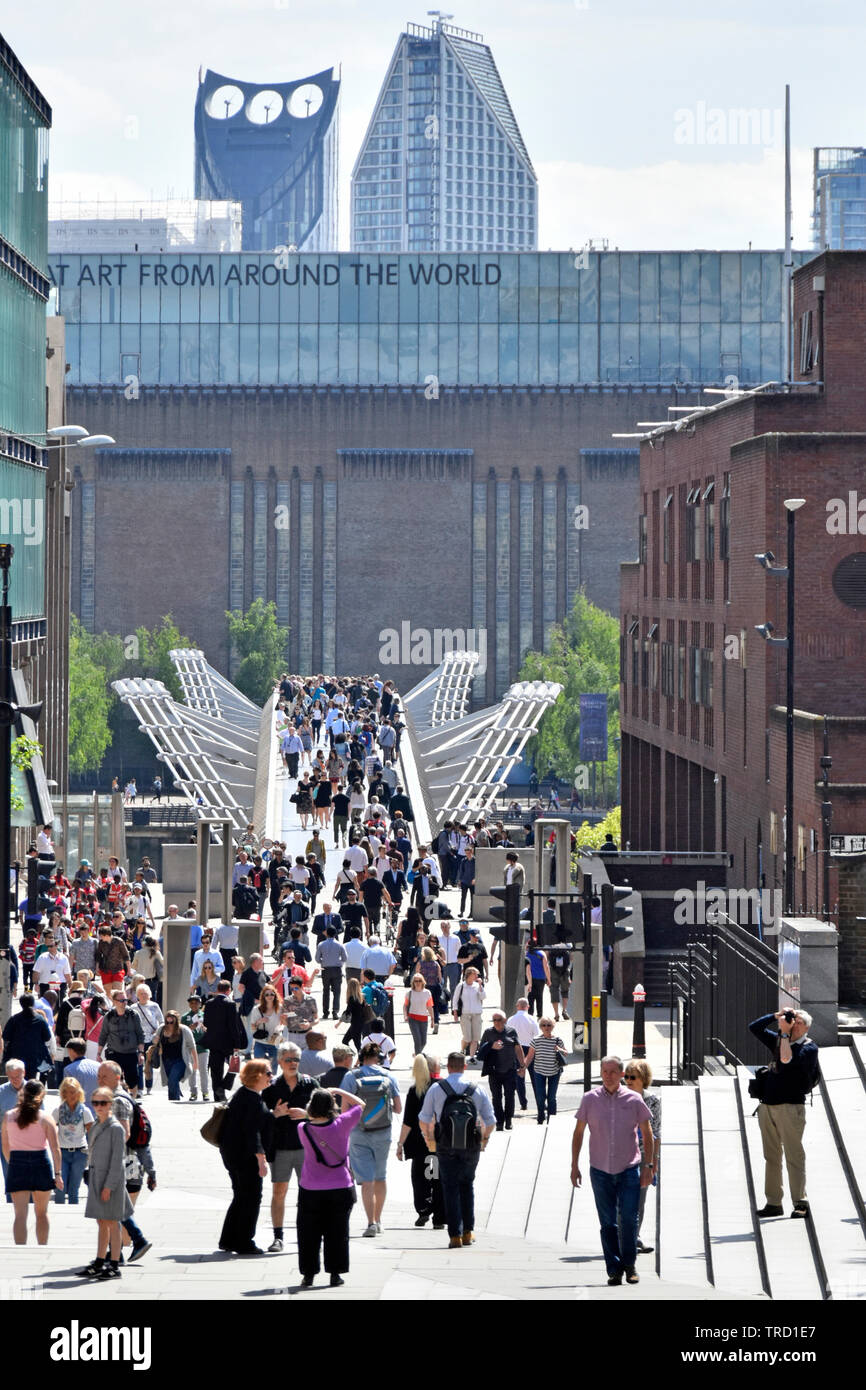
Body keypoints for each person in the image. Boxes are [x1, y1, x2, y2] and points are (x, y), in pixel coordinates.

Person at [571, 1055, 655, 1286]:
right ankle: (614, 1269)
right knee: (608, 1222)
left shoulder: (634, 1099)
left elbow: (648, 1135)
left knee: (629, 1218)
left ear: (621, 1075)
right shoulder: (589, 1099)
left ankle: (630, 1265)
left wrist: (649, 1166)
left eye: (612, 1072)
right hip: (599, 1170)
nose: (608, 1076)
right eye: (604, 1072)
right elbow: (579, 1132)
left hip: (629, 1168)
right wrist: (574, 1165)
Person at [419, 1051, 496, 1248]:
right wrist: (484, 1140)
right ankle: (468, 1232)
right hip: (471, 1145)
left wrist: (429, 1140)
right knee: (467, 1185)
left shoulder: (437, 1089)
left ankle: (455, 1235)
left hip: (444, 1145)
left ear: (448, 1067)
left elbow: (424, 1118)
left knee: (450, 1187)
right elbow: (491, 1120)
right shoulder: (476, 1089)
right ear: (464, 1066)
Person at [748, 1008, 819, 1219]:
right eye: (791, 1020)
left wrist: (785, 1034)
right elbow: (754, 1028)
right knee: (771, 1156)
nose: (790, 1023)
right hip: (768, 1106)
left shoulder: (809, 1048)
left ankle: (800, 1202)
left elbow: (786, 1060)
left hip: (790, 1108)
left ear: (804, 1027)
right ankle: (773, 1202)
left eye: (795, 1021)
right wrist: (775, 1016)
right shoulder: (780, 1040)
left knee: (794, 1155)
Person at [293, 1086, 364, 1289]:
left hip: (310, 1188)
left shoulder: (303, 1129)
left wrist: (309, 1112)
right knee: (338, 1232)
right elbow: (361, 1105)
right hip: (341, 1186)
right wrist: (338, 1091)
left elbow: (313, 1118)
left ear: (311, 1107)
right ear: (332, 1107)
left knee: (308, 1233)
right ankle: (335, 1273)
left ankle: (308, 1274)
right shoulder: (342, 1124)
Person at [340, 1042, 402, 1237]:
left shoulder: (352, 1076)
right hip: (383, 1132)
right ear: (380, 1057)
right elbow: (399, 1108)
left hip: (359, 1132)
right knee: (380, 1177)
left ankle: (371, 1223)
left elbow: (343, 1110)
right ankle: (380, 1219)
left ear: (361, 1057)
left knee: (366, 1180)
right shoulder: (388, 1076)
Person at [262, 1043, 319, 1252]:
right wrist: (274, 1114)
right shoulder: (271, 1087)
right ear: (280, 1062)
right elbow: (260, 1119)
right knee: (279, 1191)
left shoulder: (310, 1084)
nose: (293, 1063)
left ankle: (310, 1234)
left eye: (296, 1059)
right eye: (288, 1059)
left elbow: (329, 1112)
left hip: (307, 1148)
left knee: (309, 1193)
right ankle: (278, 1237)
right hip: (280, 1147)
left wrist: (307, 1115)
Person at [218, 1058, 273, 1255]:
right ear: (256, 1076)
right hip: (245, 1158)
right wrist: (261, 1160)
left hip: (233, 1155)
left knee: (241, 1197)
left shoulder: (244, 1095)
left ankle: (229, 1239)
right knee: (251, 1198)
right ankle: (244, 1241)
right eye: (268, 1073)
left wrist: (274, 1114)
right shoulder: (252, 1099)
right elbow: (253, 1133)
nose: (271, 1077)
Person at [80, 1085, 134, 1279]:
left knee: (112, 1222)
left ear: (110, 1104)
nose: (99, 1106)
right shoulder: (96, 1124)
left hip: (110, 1180)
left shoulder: (116, 1128)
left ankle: (114, 1264)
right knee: (101, 1221)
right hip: (96, 1177)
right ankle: (99, 1261)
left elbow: (118, 1159)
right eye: (95, 1103)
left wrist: (109, 1186)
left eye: (103, 1103)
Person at [1, 1080, 62, 1242]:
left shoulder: (8, 1116)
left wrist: (11, 1163)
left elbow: (5, 1146)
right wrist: (58, 1174)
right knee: (42, 1213)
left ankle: (21, 1248)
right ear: (41, 1096)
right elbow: (55, 1149)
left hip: (17, 1162)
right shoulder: (45, 1118)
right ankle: (42, 1247)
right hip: (41, 1162)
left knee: (20, 1214)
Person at [397, 1053, 446, 1229]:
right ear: (434, 1067)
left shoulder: (415, 1090)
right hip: (439, 1141)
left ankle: (424, 1209)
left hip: (419, 1143)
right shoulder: (443, 1087)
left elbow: (408, 1121)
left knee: (420, 1178)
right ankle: (439, 1217)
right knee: (437, 1178)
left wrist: (400, 1144)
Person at [624, 1059, 661, 1253]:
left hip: (644, 1156)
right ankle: (626, 1239)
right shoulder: (620, 1098)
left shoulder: (653, 1101)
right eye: (626, 1076)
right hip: (622, 1155)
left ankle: (634, 1237)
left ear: (643, 1079)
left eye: (633, 1077)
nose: (628, 1080)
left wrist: (654, 1162)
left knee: (640, 1199)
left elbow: (656, 1133)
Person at [477, 1011, 527, 1130]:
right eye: (494, 1020)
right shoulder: (488, 1032)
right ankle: (499, 1121)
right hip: (494, 1070)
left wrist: (522, 1065)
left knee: (510, 1096)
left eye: (499, 1020)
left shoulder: (511, 1031)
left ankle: (508, 1119)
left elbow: (518, 1048)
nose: (497, 1022)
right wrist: (491, 1046)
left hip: (510, 1069)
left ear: (504, 1020)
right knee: (496, 1097)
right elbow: (481, 1050)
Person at [52, 1075, 95, 1204]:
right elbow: (51, 1131)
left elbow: (91, 1133)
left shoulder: (85, 1111)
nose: (72, 1095)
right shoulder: (58, 1111)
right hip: (62, 1153)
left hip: (80, 1153)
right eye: (69, 1092)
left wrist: (92, 1153)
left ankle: (72, 1214)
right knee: (60, 1187)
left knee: (73, 1189)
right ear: (63, 1093)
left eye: (75, 1092)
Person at [203, 979, 247, 1101]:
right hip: (228, 1042)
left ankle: (217, 1095)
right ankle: (223, 1086)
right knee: (234, 1066)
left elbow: (206, 1023)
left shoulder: (209, 1003)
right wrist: (237, 1044)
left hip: (213, 1042)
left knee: (215, 1070)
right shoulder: (230, 1004)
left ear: (217, 990)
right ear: (229, 991)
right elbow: (233, 1026)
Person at [98, 989, 145, 1094]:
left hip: (130, 1053)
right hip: (114, 1053)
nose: (124, 1002)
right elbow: (103, 1035)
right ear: (114, 1001)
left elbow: (140, 1034)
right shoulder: (109, 1016)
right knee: (113, 1080)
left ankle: (132, 1102)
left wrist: (141, 1053)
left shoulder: (133, 1015)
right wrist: (98, 1053)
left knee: (132, 1081)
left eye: (126, 1000)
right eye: (121, 1000)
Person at [524, 1017, 568, 1124]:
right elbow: (529, 1057)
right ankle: (541, 1116)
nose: (546, 1027)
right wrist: (523, 1068)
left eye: (549, 1025)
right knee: (540, 1096)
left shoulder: (558, 1040)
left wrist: (560, 1049)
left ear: (553, 1026)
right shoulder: (536, 1040)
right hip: (539, 1071)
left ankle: (552, 1119)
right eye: (544, 1025)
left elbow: (566, 1053)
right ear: (540, 1027)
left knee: (551, 1097)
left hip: (554, 1071)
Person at [146, 1010, 197, 1101]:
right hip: (166, 1061)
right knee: (171, 1081)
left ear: (176, 1021)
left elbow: (192, 1046)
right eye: (167, 1021)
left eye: (171, 1022)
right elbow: (154, 1041)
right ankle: (174, 1097)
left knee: (173, 1079)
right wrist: (155, 1039)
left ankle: (174, 1101)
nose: (169, 1024)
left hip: (180, 1061)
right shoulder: (162, 1029)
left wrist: (196, 1063)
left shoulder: (184, 1030)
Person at [2, 993, 53, 1079]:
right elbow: (47, 1037)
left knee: (16, 1080)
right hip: (34, 1058)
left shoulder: (14, 1019)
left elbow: (6, 1036)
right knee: (31, 1081)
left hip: (16, 1057)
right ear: (33, 1004)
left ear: (21, 1004)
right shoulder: (40, 1020)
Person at [506, 998, 540, 1111]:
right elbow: (537, 1036)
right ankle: (540, 1102)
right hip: (530, 1048)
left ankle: (523, 1103)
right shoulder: (532, 1019)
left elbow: (507, 1036)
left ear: (517, 1006)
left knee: (519, 1077)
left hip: (516, 1049)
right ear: (528, 1007)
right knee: (535, 1078)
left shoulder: (511, 1020)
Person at [0, 1060, 27, 1198]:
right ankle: (11, 1205)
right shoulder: (1, 1091)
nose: (15, 1080)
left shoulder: (33, 1089)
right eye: (11, 1077)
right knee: (9, 1173)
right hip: (6, 1140)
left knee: (28, 1176)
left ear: (24, 1073)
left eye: (18, 1076)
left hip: (28, 1140)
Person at [248, 985, 284, 1075]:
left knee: (273, 1066)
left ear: (275, 995)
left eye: (272, 994)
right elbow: (252, 1027)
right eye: (267, 994)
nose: (269, 996)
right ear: (263, 996)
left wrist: (281, 1027)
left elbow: (285, 1023)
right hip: (261, 1041)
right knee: (258, 1065)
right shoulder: (256, 1010)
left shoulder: (280, 1008)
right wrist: (259, 1021)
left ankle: (272, 1085)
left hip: (275, 1040)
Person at [181, 994, 211, 1101]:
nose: (194, 1005)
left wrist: (205, 1028)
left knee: (203, 1070)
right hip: (190, 1048)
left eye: (196, 1002)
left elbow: (210, 1030)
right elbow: (181, 1032)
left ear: (200, 1004)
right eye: (191, 1002)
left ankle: (205, 1092)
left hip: (203, 1047)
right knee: (192, 1071)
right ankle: (193, 1092)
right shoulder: (185, 1017)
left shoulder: (205, 1015)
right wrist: (190, 1027)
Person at [316, 926, 347, 1020]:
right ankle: (335, 1012)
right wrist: (339, 963)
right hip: (337, 969)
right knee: (337, 991)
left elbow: (317, 959)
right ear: (335, 934)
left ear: (326, 933)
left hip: (325, 969)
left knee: (326, 991)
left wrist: (323, 961)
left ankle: (325, 1012)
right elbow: (345, 958)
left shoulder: (321, 944)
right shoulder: (340, 945)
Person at [404, 973, 435, 1055]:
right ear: (413, 982)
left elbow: (430, 1006)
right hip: (413, 1018)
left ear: (423, 982)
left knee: (423, 1041)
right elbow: (405, 1005)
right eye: (416, 981)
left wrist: (432, 1019)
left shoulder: (427, 993)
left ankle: (417, 1054)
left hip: (424, 1019)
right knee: (417, 1040)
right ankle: (418, 1059)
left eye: (420, 981)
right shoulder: (409, 993)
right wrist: (405, 1016)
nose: (417, 983)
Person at [546, 932, 573, 1022]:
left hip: (553, 970)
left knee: (554, 990)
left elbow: (546, 956)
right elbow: (571, 957)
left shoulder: (550, 943)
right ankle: (564, 1010)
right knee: (565, 991)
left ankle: (556, 1014)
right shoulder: (568, 943)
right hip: (565, 971)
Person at [525, 941, 551, 1017]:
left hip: (530, 979)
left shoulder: (527, 954)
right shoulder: (542, 954)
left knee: (530, 997)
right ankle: (540, 1015)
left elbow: (527, 968)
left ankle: (530, 1014)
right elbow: (546, 967)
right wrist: (548, 979)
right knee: (539, 997)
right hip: (541, 978)